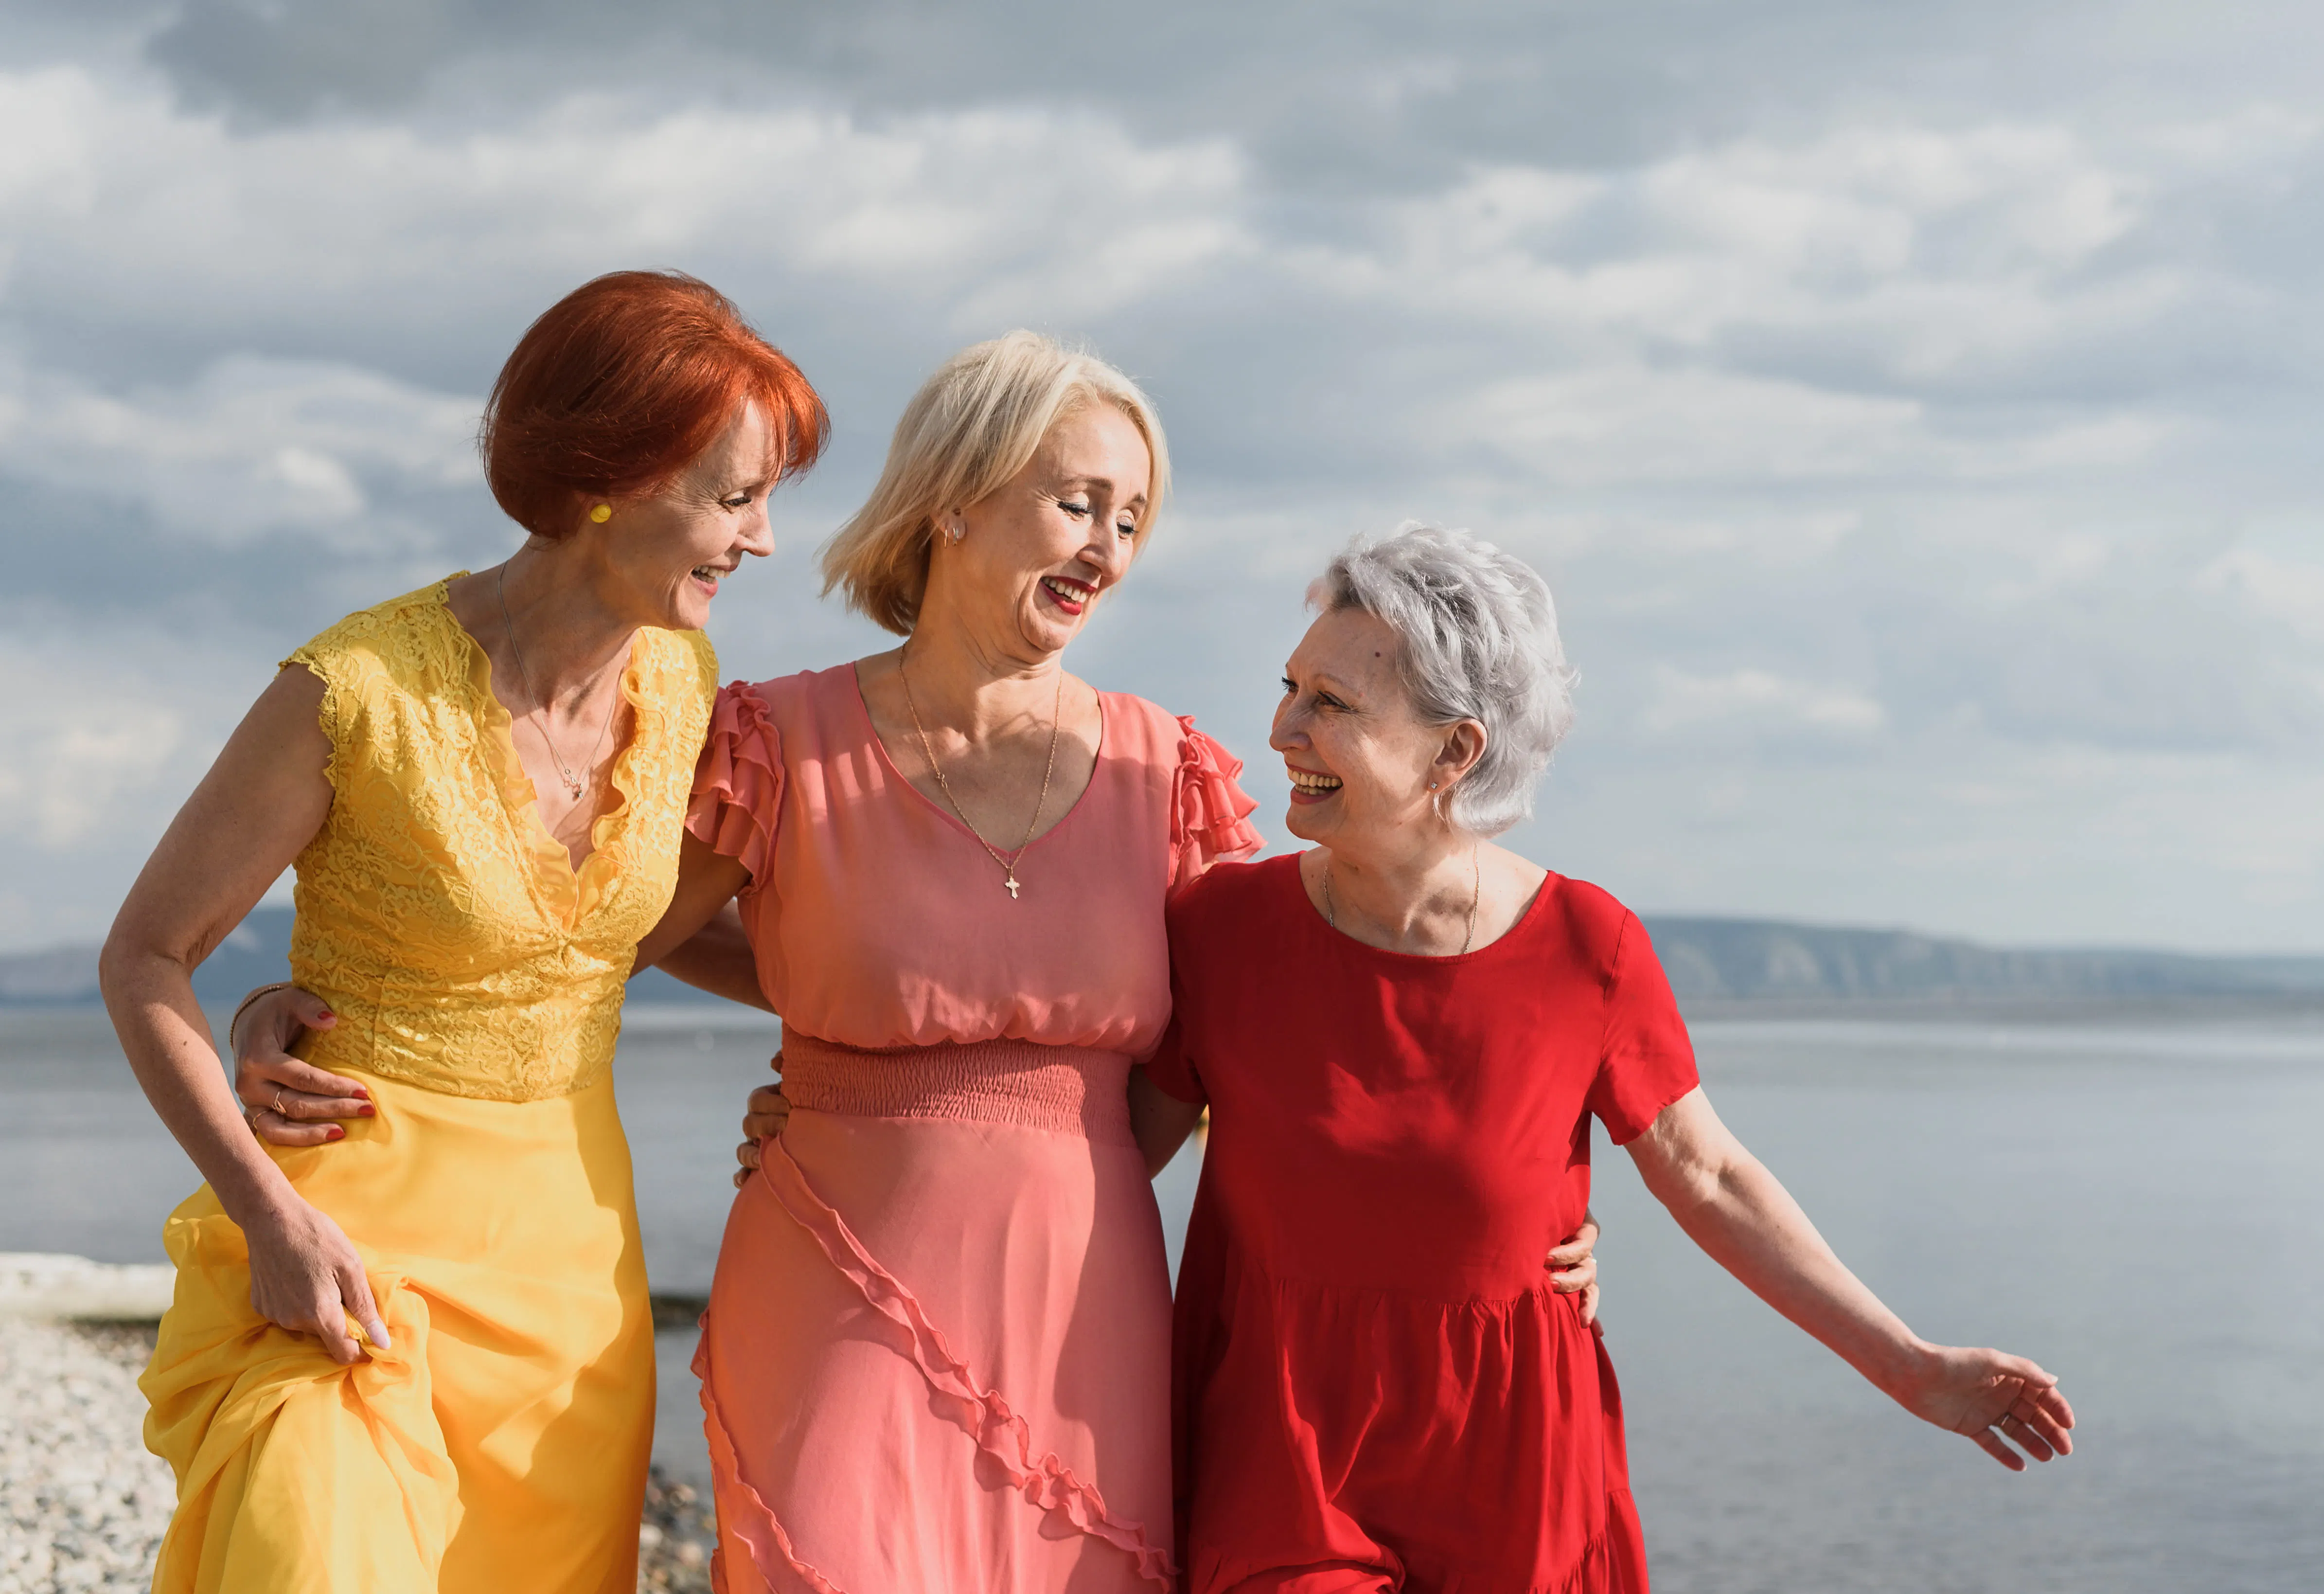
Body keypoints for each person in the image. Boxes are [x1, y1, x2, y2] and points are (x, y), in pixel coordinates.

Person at [634, 334, 1603, 1594]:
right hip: (834, 1266)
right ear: (956, 498)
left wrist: (1532, 1205)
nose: (1108, 543)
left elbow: (1292, 1020)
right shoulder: (783, 737)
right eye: (1078, 500)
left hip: (1085, 1306)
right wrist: (844, 1014)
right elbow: (611, 941)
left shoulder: (1164, 772)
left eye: (1132, 516)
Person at [1135, 524, 2078, 1594]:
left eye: (1332, 706)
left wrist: (1907, 1367)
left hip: (1516, 1481)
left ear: (1457, 752)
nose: (1280, 729)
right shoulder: (1219, 931)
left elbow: (1709, 1175)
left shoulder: (1587, 948)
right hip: (1282, 1472)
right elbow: (1100, 1174)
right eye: (1291, 687)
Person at [98, 270, 826, 1594]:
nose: (763, 539)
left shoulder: (687, 685)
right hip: (345, 1257)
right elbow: (145, 954)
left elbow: (604, 944)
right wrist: (266, 1217)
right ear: (609, 472)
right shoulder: (354, 690)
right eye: (735, 496)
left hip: (567, 1282)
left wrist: (900, 1058)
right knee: (304, 1545)